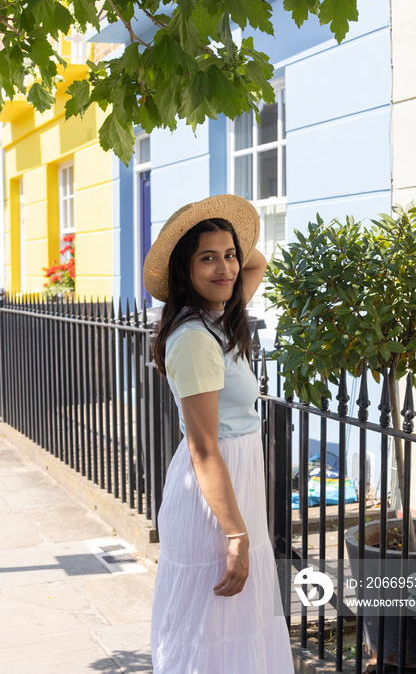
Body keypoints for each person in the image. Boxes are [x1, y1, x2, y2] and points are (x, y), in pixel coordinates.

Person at [143, 194, 294, 673]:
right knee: (209, 630)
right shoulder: (193, 338)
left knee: (237, 626)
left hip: (236, 485)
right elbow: (203, 447)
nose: (226, 268)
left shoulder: (219, 319)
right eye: (206, 258)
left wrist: (227, 235)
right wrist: (235, 535)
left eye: (228, 255)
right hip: (214, 500)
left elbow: (257, 263)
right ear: (183, 271)